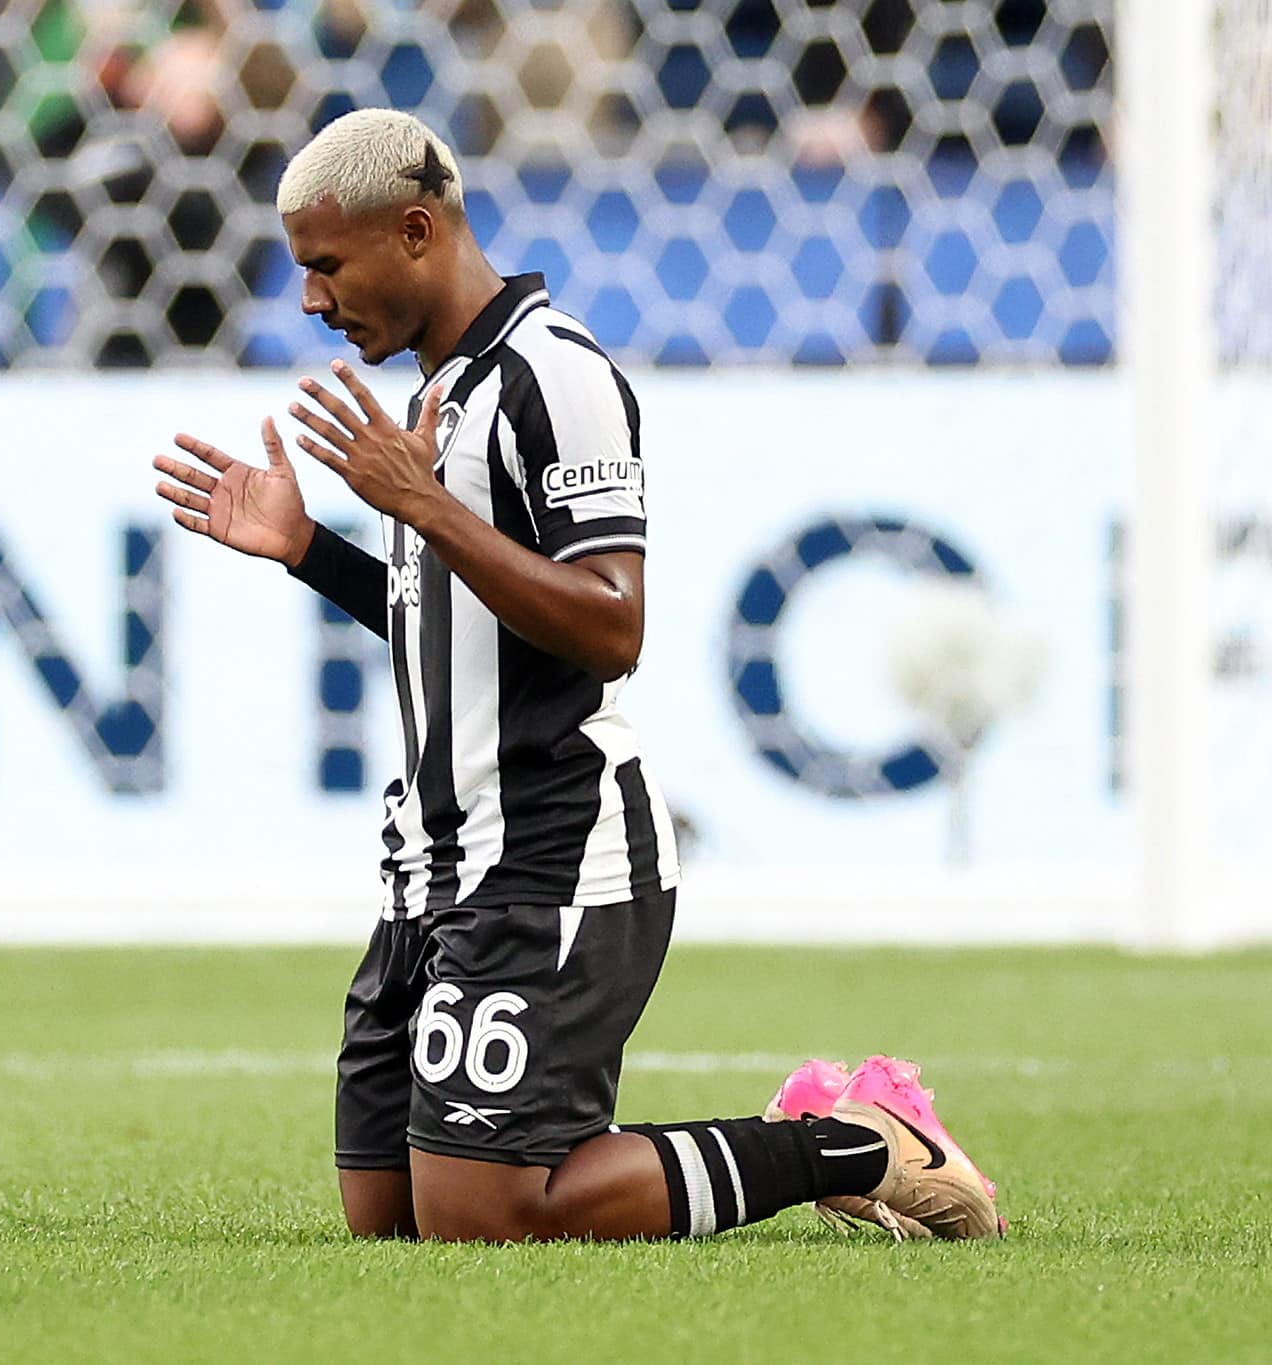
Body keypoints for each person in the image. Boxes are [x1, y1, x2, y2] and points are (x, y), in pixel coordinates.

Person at [150, 108, 1005, 1244]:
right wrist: (313, 551)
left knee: (486, 1213)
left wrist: (424, 506)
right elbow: (457, 625)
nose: (309, 299)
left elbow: (611, 625)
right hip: (432, 865)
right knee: (387, 1214)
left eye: (325, 265)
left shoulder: (555, 376)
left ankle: (856, 1142)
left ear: (415, 232)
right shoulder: (442, 395)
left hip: (551, 854)